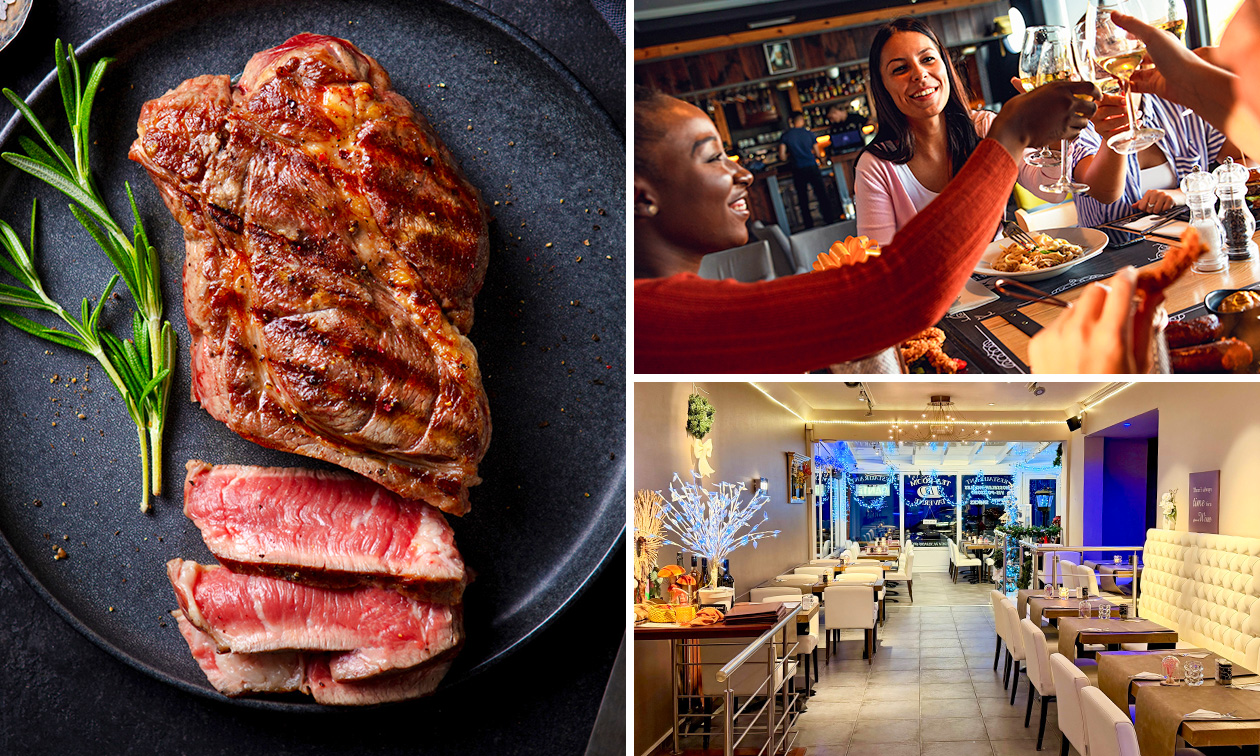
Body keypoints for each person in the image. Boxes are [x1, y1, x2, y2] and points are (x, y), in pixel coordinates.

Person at [633, 82, 1097, 373]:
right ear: (641, 197)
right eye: (713, 157)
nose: (742, 174)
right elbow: (891, 293)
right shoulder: (650, 321)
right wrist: (1010, 136)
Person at [1027, 8, 1260, 373]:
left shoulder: (1171, 100)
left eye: (1113, 43)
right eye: (1094, 50)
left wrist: (1206, 74)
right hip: (1112, 275)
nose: (1106, 56)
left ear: (1134, 47)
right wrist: (1110, 137)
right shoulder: (1078, 122)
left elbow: (1242, 156)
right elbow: (1103, 192)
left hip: (1197, 260)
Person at [854, 17, 1061, 246]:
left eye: (928, 59)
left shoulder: (985, 128)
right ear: (883, 86)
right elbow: (878, 262)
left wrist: (1056, 134)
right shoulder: (875, 167)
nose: (919, 74)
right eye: (900, 68)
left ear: (945, 66)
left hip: (1003, 272)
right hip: (933, 282)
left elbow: (1053, 190)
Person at [1066, 88, 1246, 224]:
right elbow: (1104, 193)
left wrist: (1185, 193)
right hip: (1113, 261)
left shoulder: (1179, 103)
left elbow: (1246, 162)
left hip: (1193, 243)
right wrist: (1114, 134)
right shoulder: (1078, 124)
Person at [778, 112, 839, 229]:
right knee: (821, 194)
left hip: (798, 169)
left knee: (802, 198)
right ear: (801, 120)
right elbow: (817, 153)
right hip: (812, 167)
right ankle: (829, 220)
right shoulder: (809, 134)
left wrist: (790, 154)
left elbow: (782, 157)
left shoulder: (786, 136)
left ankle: (809, 225)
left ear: (791, 121)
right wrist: (822, 160)